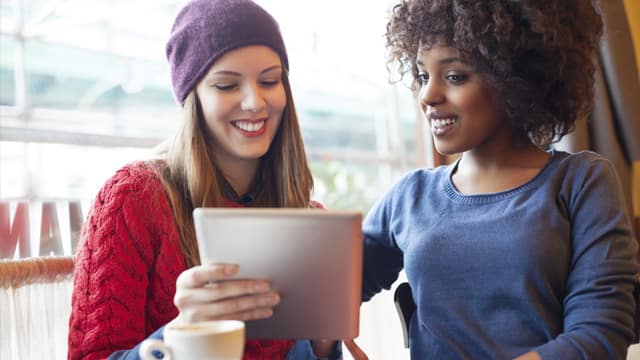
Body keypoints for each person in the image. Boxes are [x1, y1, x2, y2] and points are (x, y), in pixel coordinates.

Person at [360, 0, 639, 359]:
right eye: (422, 76)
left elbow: (600, 334)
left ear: (514, 76)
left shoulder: (582, 182)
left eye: (455, 76)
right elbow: (328, 287)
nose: (428, 96)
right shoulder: (410, 196)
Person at [67, 0, 340, 358]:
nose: (254, 102)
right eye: (226, 85)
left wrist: (322, 339)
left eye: (270, 81)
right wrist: (182, 332)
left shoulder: (308, 218)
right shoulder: (132, 198)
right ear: (192, 97)